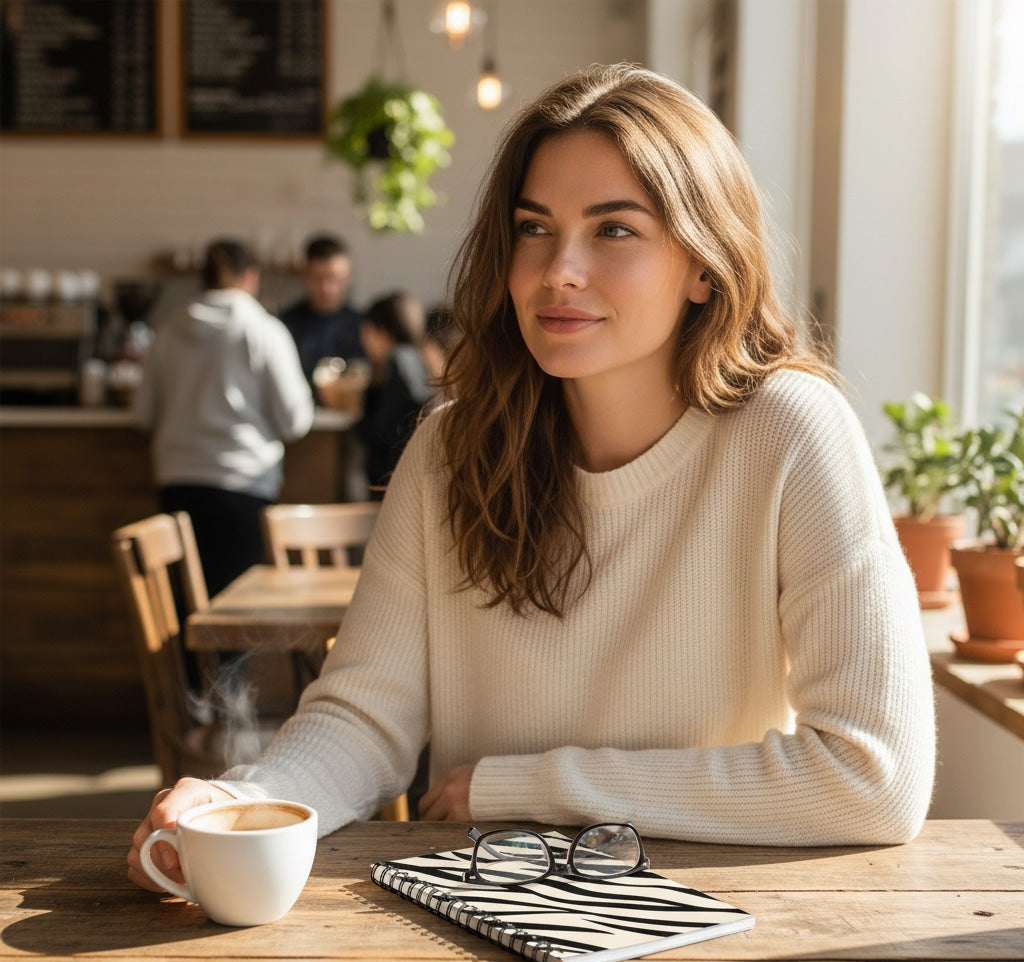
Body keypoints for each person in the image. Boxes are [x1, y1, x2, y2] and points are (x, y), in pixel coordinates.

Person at [130, 64, 935, 890]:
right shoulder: (450, 451)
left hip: (706, 922)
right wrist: (242, 801)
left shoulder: (790, 432)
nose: (559, 271)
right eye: (534, 227)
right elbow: (363, 718)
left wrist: (533, 787)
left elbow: (873, 778)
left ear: (704, 263)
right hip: (479, 914)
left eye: (613, 230)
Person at [134, 238, 314, 596]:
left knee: (185, 602)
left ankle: (184, 657)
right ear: (251, 277)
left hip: (178, 480)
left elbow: (142, 414)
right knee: (236, 605)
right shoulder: (264, 330)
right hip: (244, 482)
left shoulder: (168, 330)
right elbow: (295, 421)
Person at [355, 291, 437, 497]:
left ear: (380, 330)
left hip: (395, 482)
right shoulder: (423, 356)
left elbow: (386, 429)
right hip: (414, 478)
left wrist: (357, 414)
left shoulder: (399, 361)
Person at [279, 233, 364, 395]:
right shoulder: (286, 325)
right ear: (305, 275)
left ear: (348, 275)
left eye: (334, 278)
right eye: (318, 279)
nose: (327, 288)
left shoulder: (363, 326)